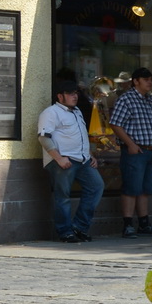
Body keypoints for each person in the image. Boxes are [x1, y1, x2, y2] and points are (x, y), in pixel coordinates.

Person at [37, 78, 104, 244]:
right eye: (70, 93)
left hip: (82, 159)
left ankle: (79, 227)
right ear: (60, 96)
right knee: (63, 196)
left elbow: (81, 137)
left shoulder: (77, 111)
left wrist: (90, 155)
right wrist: (59, 158)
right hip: (63, 161)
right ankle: (65, 232)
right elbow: (44, 138)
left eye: (76, 93)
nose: (75, 96)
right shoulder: (51, 113)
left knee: (96, 186)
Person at [109, 66, 152, 237]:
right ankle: (127, 224)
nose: (150, 82)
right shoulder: (126, 99)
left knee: (145, 189)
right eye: (146, 79)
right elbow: (115, 123)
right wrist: (130, 144)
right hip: (136, 150)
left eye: (151, 79)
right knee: (131, 188)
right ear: (136, 81)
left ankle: (144, 222)